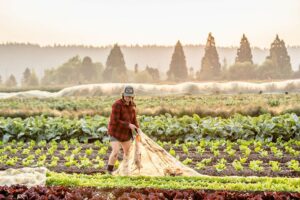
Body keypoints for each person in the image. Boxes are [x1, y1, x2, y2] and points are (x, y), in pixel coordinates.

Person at [106, 85, 139, 174]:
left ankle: (125, 170)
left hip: (125, 134)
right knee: (116, 152)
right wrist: (128, 125)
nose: (128, 97)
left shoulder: (132, 106)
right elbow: (115, 120)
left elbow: (134, 120)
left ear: (133, 96)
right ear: (123, 95)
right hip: (115, 132)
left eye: (130, 96)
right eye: (126, 95)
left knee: (128, 154)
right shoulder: (117, 105)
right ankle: (109, 172)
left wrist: (137, 129)